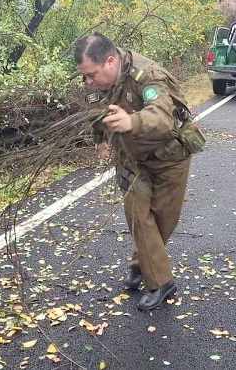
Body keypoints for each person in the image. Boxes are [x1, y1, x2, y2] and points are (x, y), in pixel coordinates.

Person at [74, 32, 193, 312]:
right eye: (85, 76)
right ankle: (161, 283)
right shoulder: (95, 82)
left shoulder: (147, 76)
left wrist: (131, 121)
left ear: (111, 61)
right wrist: (100, 139)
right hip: (131, 160)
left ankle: (141, 265)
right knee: (139, 218)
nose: (88, 81)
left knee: (162, 222)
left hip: (168, 159)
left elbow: (164, 118)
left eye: (92, 74)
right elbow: (96, 112)